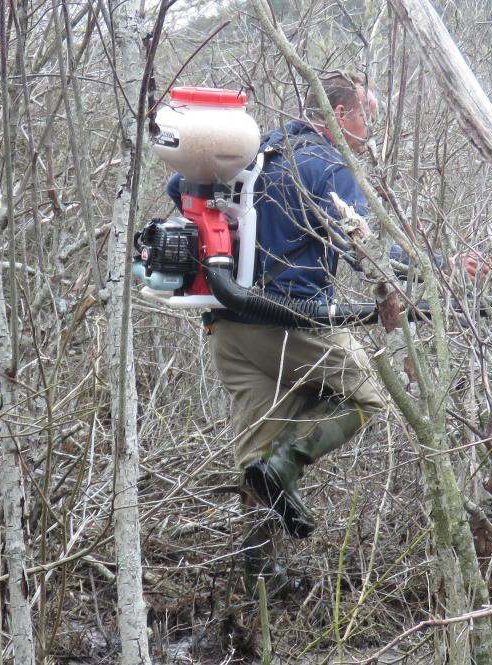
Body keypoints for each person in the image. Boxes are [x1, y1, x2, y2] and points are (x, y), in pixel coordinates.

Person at [168, 71, 387, 596]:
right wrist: (439, 267)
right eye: (367, 118)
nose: (370, 131)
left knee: (254, 461)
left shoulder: (250, 151)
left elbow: (180, 188)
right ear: (339, 114)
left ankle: (261, 588)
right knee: (367, 398)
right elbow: (366, 251)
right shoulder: (327, 166)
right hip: (290, 325)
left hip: (227, 328)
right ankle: (286, 465)